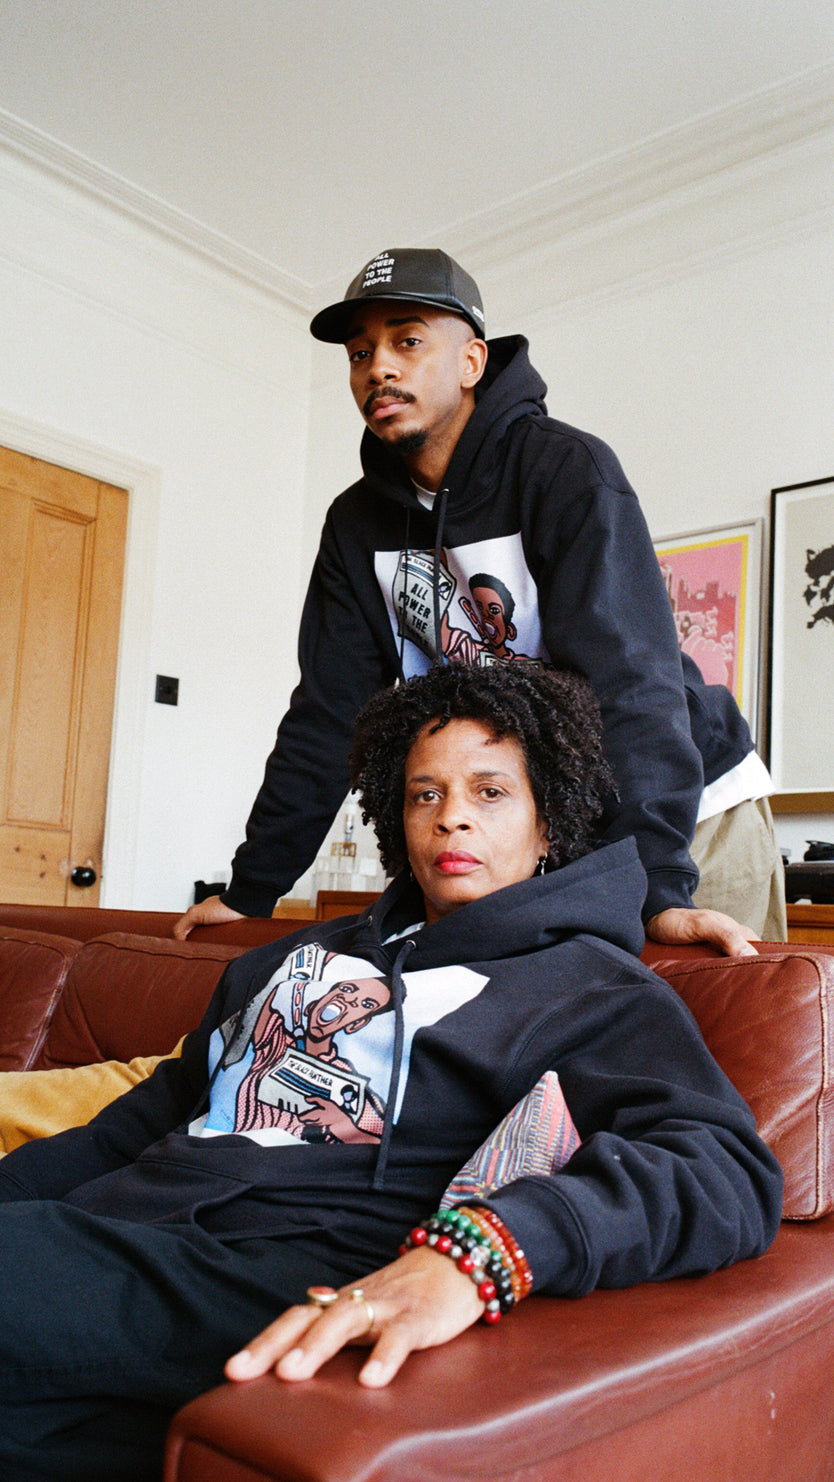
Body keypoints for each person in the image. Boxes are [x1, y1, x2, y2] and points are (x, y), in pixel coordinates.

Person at [0, 664, 782, 1480]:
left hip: (282, 1264)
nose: (452, 819)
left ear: (549, 820)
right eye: (424, 795)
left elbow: (725, 1171)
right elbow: (131, 1128)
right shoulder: (293, 958)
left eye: (490, 793)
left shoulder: (590, 987)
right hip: (120, 1233)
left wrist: (483, 1252)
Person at [174, 247, 784, 952]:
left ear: (471, 362)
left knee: (729, 1012)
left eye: (407, 341)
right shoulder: (356, 524)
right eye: (359, 352)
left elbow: (630, 683)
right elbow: (330, 712)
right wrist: (253, 888)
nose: (378, 368)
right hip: (532, 830)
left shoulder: (563, 468)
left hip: (687, 813)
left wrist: (657, 884)